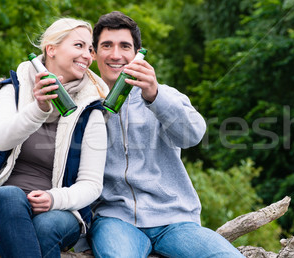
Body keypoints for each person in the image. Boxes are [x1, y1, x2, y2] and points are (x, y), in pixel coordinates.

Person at [88, 11, 245, 257]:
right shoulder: (84, 103)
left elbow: (193, 135)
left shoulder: (165, 94)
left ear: (137, 54)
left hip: (175, 220)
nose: (115, 54)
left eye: (124, 46)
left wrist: (155, 95)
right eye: (106, 45)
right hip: (114, 220)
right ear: (93, 53)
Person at [0, 17, 109, 258]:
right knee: (11, 196)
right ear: (51, 49)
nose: (87, 55)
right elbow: (1, 141)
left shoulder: (92, 111)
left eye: (90, 49)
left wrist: (53, 199)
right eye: (79, 45)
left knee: (45, 226)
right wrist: (38, 108)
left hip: (59, 209)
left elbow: (92, 184)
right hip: (1, 202)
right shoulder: (13, 89)